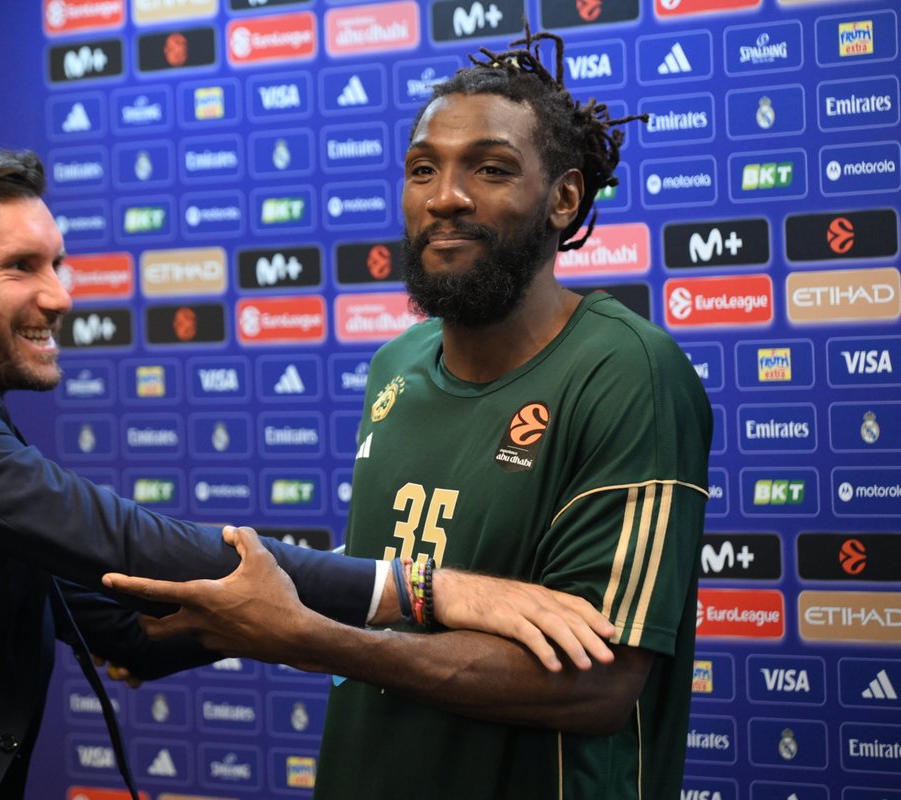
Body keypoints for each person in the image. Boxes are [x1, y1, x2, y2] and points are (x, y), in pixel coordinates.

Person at [0, 143, 613, 800]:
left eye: (57, 262)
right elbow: (120, 538)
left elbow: (119, 615)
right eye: (21, 267)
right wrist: (429, 591)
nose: (60, 295)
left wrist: (276, 618)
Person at [104, 28, 712, 799]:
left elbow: (598, 686)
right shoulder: (397, 364)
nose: (445, 196)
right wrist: (205, 624)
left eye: (490, 170)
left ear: (565, 197)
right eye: (423, 169)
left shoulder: (628, 372)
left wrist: (309, 639)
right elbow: (383, 593)